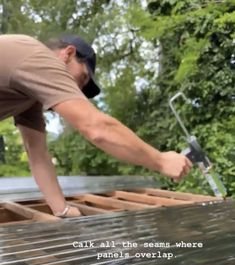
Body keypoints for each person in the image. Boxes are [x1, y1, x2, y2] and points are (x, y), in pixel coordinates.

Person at [0, 34, 192, 217]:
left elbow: (37, 154)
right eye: (83, 77)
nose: (78, 89)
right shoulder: (38, 57)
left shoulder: (30, 97)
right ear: (67, 53)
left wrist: (63, 211)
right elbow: (96, 127)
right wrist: (160, 160)